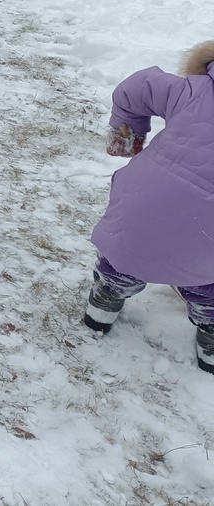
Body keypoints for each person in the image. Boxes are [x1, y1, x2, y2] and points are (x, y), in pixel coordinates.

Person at [83, 41, 214, 374]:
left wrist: (126, 132)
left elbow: (137, 87)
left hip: (142, 205)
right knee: (209, 286)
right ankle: (211, 341)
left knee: (125, 255)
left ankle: (104, 302)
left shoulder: (192, 90)